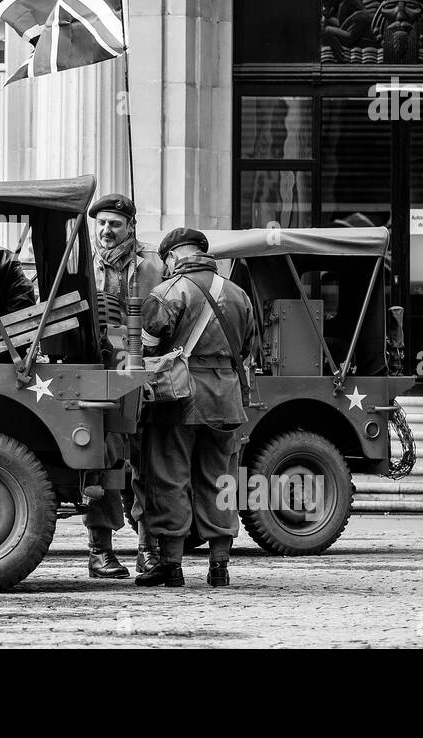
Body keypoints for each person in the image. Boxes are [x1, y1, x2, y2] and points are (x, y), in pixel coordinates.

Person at [137, 228, 255, 588]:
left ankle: (171, 565)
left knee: (170, 477)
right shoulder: (238, 293)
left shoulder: (169, 291)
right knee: (219, 477)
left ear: (171, 256)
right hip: (227, 397)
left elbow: (147, 349)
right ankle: (219, 565)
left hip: (180, 397)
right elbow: (247, 348)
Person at [83, 193, 165, 579]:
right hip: (100, 378)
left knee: (147, 464)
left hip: (146, 374)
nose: (106, 230)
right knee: (103, 465)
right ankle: (100, 551)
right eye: (100, 223)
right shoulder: (80, 262)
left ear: (131, 226)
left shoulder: (154, 266)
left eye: (114, 223)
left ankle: (148, 549)